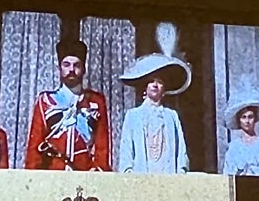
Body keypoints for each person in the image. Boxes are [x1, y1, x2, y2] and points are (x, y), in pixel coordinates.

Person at [24, 38, 111, 171]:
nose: (71, 70)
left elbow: (102, 144)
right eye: (66, 65)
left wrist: (99, 171)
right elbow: (35, 144)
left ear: (84, 69)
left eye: (76, 65)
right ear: (59, 68)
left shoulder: (96, 102)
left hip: (85, 173)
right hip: (52, 173)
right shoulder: (46, 101)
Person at [117, 23, 192, 174]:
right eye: (152, 81)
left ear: (164, 89)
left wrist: (181, 171)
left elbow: (181, 150)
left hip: (168, 177)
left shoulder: (171, 116)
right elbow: (126, 150)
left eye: (160, 82)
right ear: (145, 86)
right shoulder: (133, 116)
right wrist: (128, 171)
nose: (155, 85)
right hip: (141, 177)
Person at [221, 97, 259, 176]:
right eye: (243, 117)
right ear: (239, 120)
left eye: (250, 117)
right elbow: (228, 173)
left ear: (255, 119)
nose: (247, 121)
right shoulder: (233, 147)